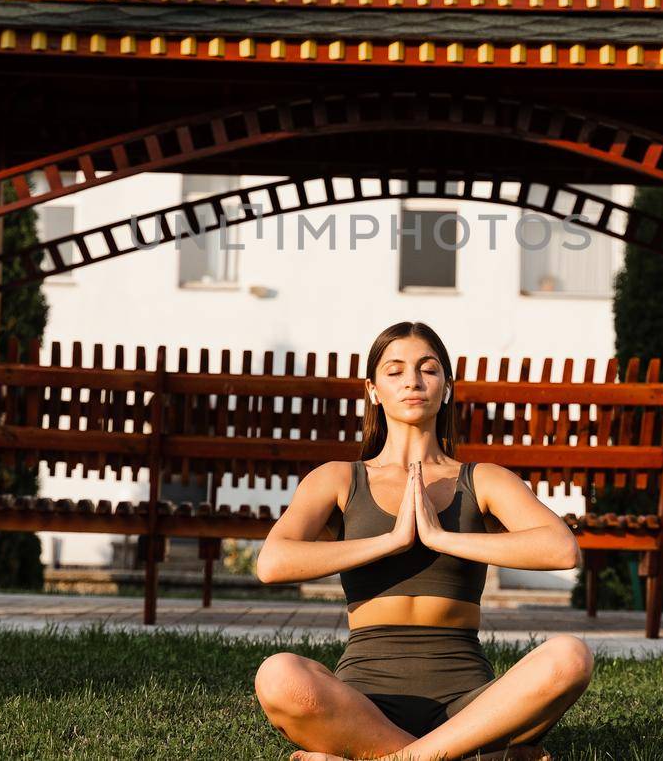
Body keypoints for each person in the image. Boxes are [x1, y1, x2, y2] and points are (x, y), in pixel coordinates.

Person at [253, 320, 593, 760]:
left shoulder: (483, 479)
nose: (412, 381)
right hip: (364, 702)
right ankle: (465, 755)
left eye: (428, 369)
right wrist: (392, 540)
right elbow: (272, 562)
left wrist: (441, 537)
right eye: (395, 371)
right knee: (278, 674)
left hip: (470, 704)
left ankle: (402, 758)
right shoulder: (339, 478)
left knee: (570, 656)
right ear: (373, 390)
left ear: (447, 387)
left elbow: (561, 549)